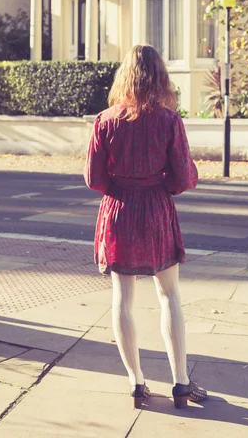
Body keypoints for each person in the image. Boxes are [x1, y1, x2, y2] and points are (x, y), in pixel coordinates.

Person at [84, 45, 207, 410]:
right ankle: (181, 383)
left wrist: (122, 189)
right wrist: (158, 188)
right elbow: (184, 176)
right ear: (160, 76)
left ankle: (137, 383)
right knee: (169, 295)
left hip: (118, 210)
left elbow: (93, 178)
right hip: (156, 209)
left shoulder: (105, 120)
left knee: (123, 299)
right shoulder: (170, 120)